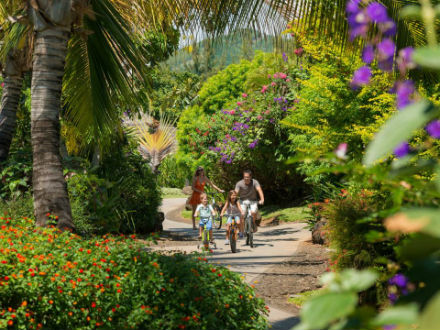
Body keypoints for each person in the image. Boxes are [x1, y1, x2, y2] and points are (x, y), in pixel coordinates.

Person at [235, 169, 264, 234]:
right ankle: (242, 230)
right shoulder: (239, 183)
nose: (246, 178)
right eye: (245, 177)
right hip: (243, 201)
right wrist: (233, 199)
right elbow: (235, 192)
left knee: (253, 212)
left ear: (250, 177)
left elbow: (259, 190)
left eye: (247, 177)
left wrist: (262, 199)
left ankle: (253, 224)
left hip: (253, 201)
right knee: (242, 214)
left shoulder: (255, 182)